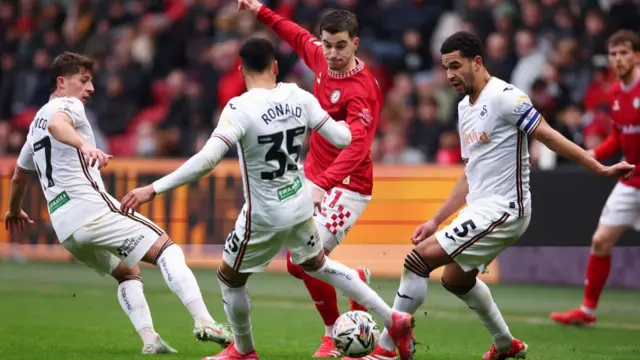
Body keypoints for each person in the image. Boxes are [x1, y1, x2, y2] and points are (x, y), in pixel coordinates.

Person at [120, 37, 416, 360]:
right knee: (317, 265)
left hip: (263, 214)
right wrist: (356, 120)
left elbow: (207, 160)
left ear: (241, 70)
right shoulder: (298, 96)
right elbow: (344, 137)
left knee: (229, 278)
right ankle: (393, 318)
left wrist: (153, 188)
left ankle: (244, 351)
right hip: (299, 201)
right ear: (275, 67)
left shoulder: (239, 108)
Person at [347, 31, 635, 360]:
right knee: (455, 280)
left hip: (506, 209)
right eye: (445, 68)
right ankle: (505, 345)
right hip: (481, 209)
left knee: (417, 261)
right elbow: (470, 174)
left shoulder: (505, 97)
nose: (450, 75)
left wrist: (596, 167)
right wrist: (436, 220)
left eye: (455, 66)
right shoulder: (464, 109)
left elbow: (550, 136)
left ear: (477, 62)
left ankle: (385, 347)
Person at [3, 52, 232, 355]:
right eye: (83, 80)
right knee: (167, 249)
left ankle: (150, 339)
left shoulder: (33, 126)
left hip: (66, 228)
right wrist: (85, 144)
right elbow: (59, 124)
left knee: (127, 272)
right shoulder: (65, 105)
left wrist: (13, 208)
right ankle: (205, 321)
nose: (91, 88)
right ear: (62, 82)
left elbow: (19, 175)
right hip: (91, 211)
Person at [238, 1, 383, 356]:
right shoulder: (320, 56)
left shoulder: (360, 91)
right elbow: (296, 35)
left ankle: (334, 334)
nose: (332, 54)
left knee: (301, 261)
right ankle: (353, 285)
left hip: (348, 185)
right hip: (314, 177)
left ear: (356, 44)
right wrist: (261, 11)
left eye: (341, 46)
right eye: (328, 44)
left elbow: (356, 149)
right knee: (300, 263)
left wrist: (324, 184)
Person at [551, 30, 640, 326]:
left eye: (624, 53)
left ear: (637, 56)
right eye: (613, 54)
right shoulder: (615, 93)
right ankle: (587, 312)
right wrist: (593, 153)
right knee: (601, 241)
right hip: (630, 179)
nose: (618, 59)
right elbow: (618, 137)